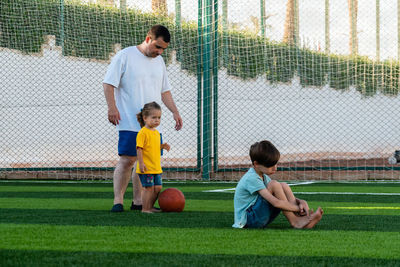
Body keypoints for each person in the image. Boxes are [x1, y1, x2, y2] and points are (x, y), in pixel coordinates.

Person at [103, 25, 183, 212]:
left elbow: (165, 91)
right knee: (127, 160)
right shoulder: (125, 56)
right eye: (157, 47)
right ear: (148, 39)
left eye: (163, 49)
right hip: (130, 120)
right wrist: (112, 107)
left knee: (145, 161)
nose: (160, 52)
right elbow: (108, 83)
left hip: (153, 124)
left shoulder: (160, 62)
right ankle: (118, 201)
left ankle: (138, 202)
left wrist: (175, 111)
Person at [233, 140, 323, 229]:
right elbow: (276, 203)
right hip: (248, 221)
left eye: (276, 164)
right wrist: (298, 208)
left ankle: (301, 218)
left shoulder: (264, 176)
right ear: (256, 164)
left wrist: (300, 202)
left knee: (283, 185)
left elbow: (280, 197)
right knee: (275, 185)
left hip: (257, 217)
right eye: (270, 165)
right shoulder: (251, 178)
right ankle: (295, 221)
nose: (275, 168)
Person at [135, 102, 170, 213]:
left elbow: (153, 147)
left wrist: (162, 146)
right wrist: (141, 163)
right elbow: (139, 149)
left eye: (159, 117)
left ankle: (150, 206)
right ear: (145, 118)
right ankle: (145, 209)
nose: (157, 120)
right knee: (148, 188)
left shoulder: (156, 133)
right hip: (146, 167)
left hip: (156, 167)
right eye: (153, 117)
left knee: (158, 188)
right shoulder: (142, 133)